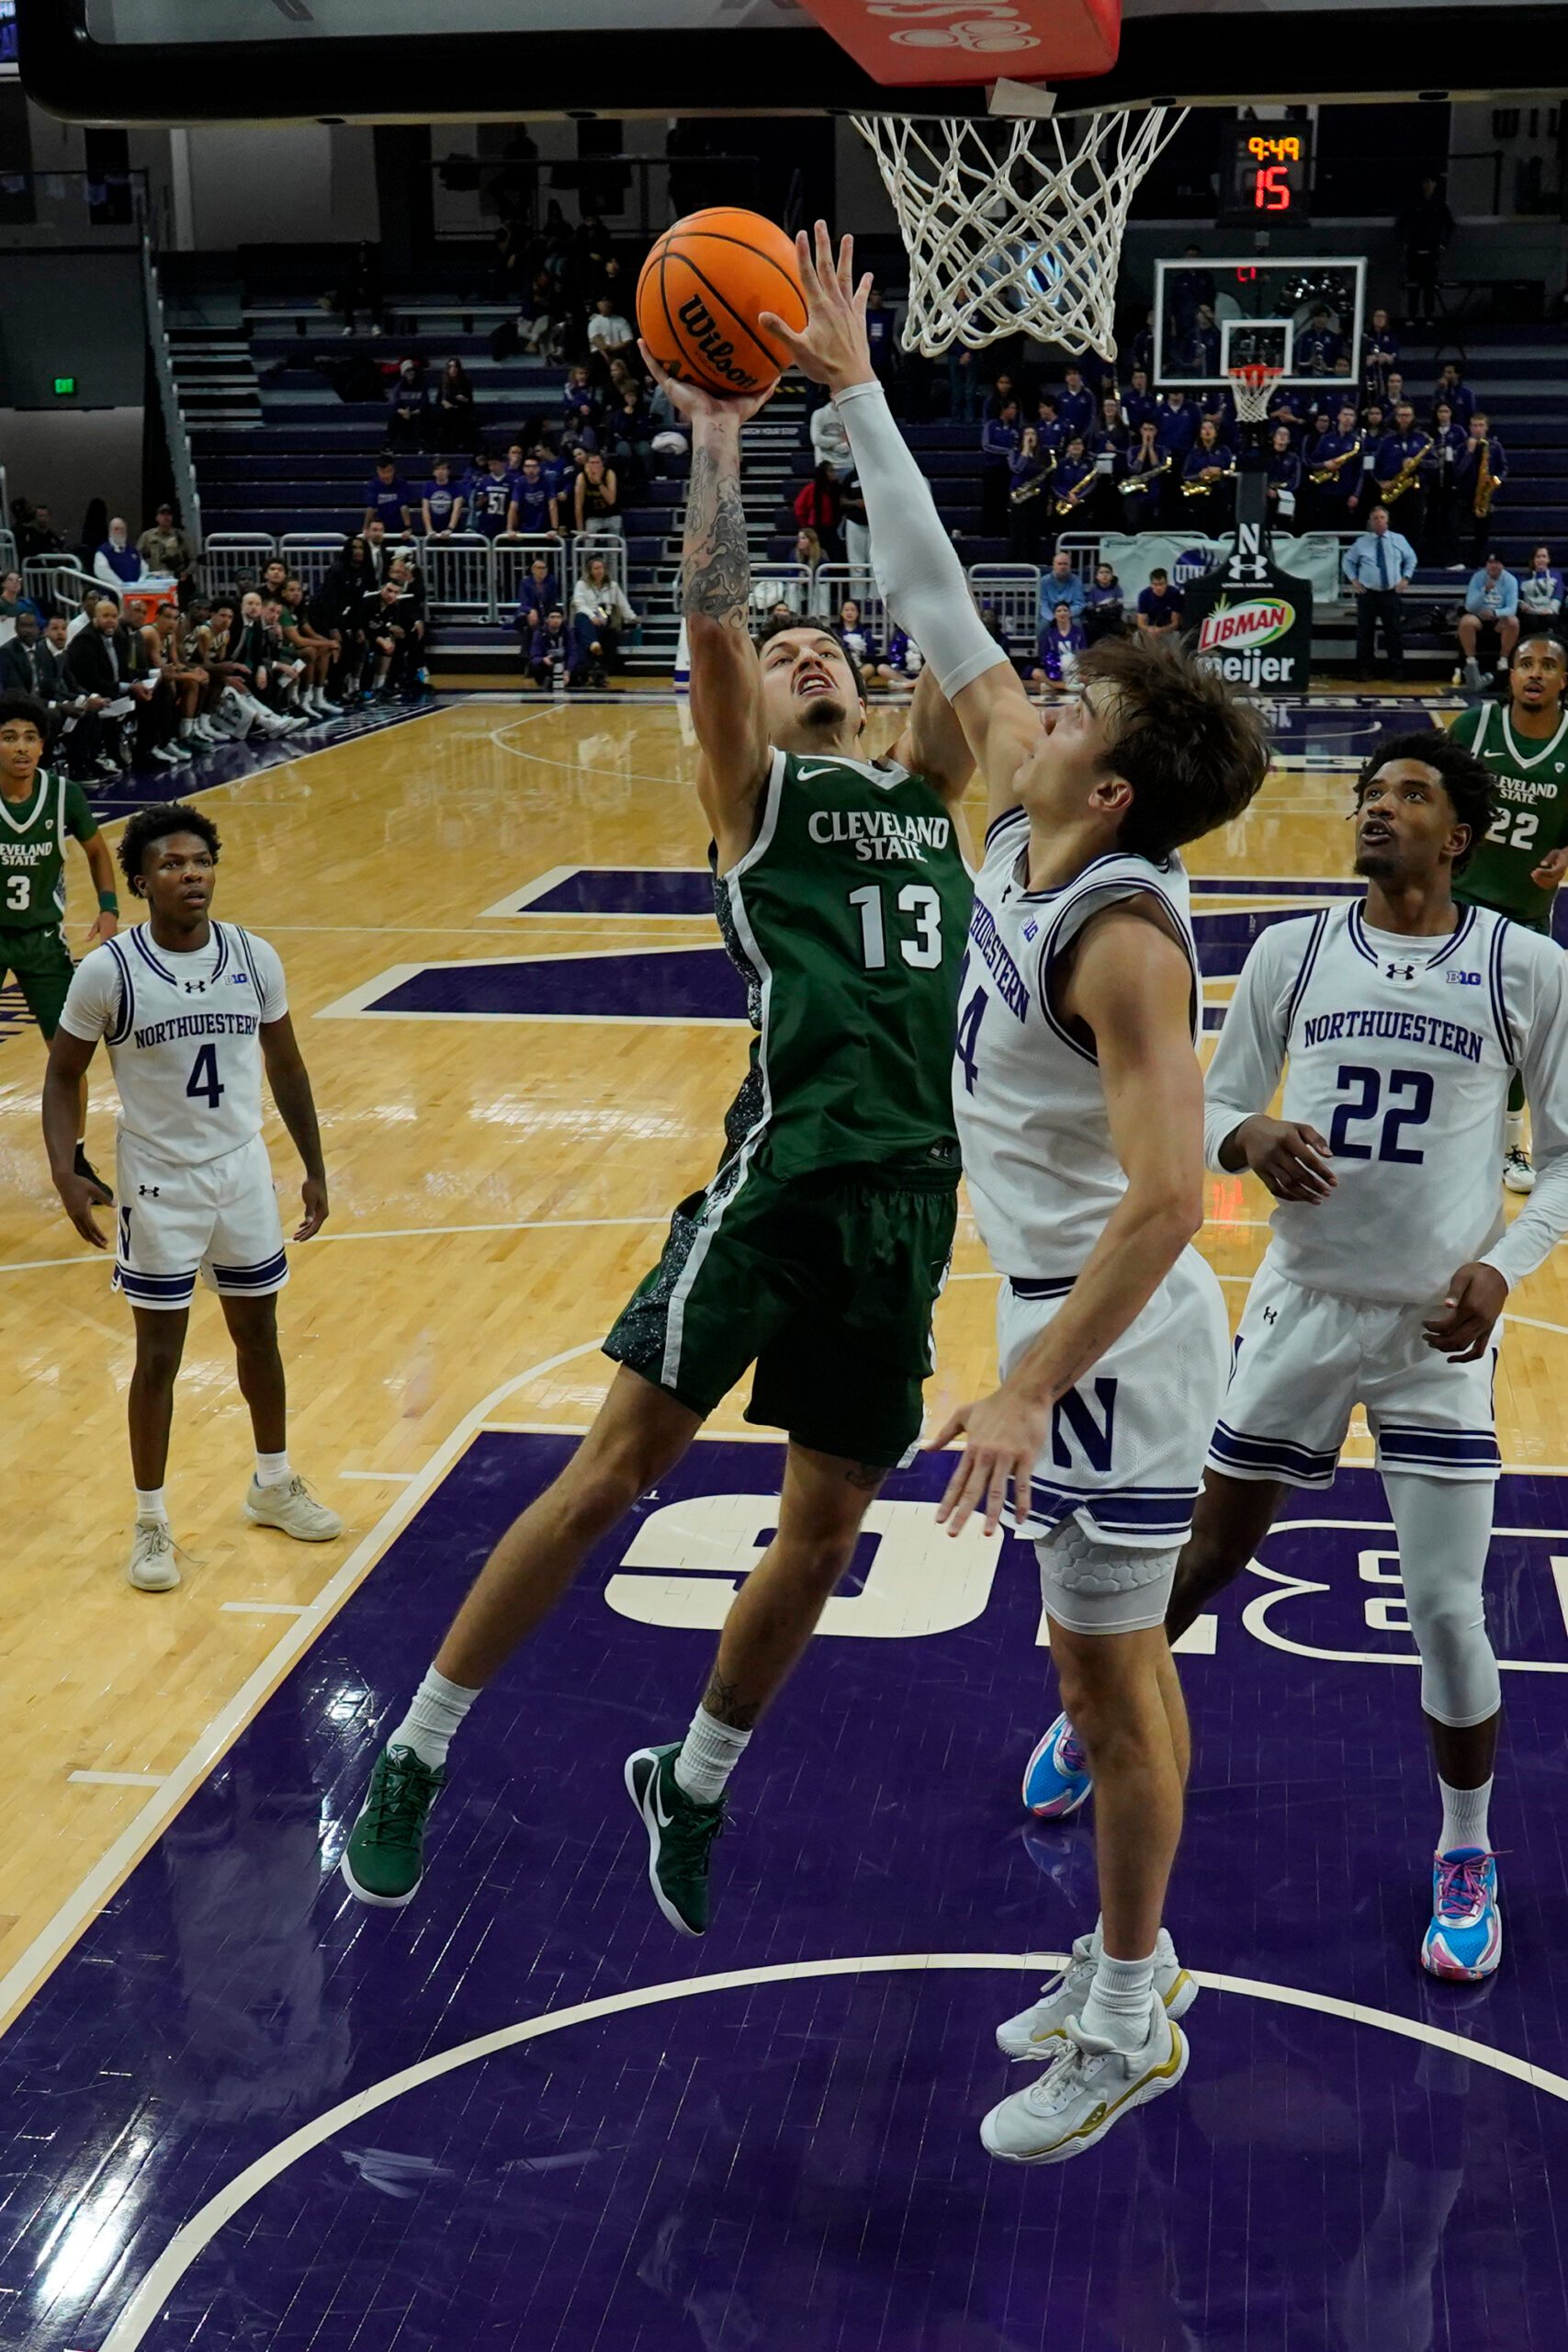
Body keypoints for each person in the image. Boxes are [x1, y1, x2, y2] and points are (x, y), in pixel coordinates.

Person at [338, 271, 976, 1946]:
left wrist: (860, 400)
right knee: (619, 1465)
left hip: (915, 1201)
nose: (802, 646)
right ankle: (416, 1751)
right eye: (782, 652)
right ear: (746, 715)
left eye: (819, 634)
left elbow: (945, 620)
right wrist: (713, 446)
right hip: (783, 1181)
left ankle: (688, 1780)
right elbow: (708, 627)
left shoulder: (923, 791)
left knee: (829, 1525)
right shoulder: (754, 799)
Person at [747, 224, 1268, 2167]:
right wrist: (859, 391)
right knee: (1084, 1656)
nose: (1035, 701)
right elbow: (933, 588)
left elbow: (1164, 1202)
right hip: (1050, 1309)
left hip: (1110, 1331)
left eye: (1073, 713)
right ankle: (1135, 1966)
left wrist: (1035, 1374)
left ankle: (1134, 2003)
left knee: (1113, 1677)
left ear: (1108, 790)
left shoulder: (1123, 934)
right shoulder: (1029, 803)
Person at [1028, 728, 1568, 1987]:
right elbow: (1204, 1108)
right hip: (1299, 1305)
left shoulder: (1526, 967)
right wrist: (1248, 1136)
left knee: (1442, 1610)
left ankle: (1463, 1852)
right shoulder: (1293, 950)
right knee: (1208, 1550)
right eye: (1370, 792)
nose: (1378, 809)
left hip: (1436, 1325)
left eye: (1410, 794)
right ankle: (1087, 1716)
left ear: (1461, 836)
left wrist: (1504, 1269)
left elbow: (1563, 1162)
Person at [42, 800, 342, 1590]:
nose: (191, 875)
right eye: (172, 865)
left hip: (241, 1171)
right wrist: (65, 1165)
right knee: (159, 1356)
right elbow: (62, 1072)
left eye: (201, 861)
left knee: (259, 1335)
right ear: (140, 882)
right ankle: (150, 1522)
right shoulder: (109, 971)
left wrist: (313, 1165)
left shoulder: (252, 955)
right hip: (158, 1181)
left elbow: (288, 1068)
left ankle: (273, 1484)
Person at [1450, 634, 1568, 1193]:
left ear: (1563, 680)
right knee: (1448, 1020)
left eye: (1548, 665)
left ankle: (1510, 1142)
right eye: (1526, 664)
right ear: (1512, 674)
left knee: (1521, 1032)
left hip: (1526, 911)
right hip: (1457, 902)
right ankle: (1446, 1131)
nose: (1536, 673)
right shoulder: (1473, 730)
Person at [0, 690, 118, 1194]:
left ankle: (74, 1160)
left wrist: (109, 907)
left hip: (43, 940)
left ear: (43, 747)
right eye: (8, 738)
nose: (21, 747)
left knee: (67, 1056)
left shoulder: (64, 795)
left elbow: (96, 851)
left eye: (30, 737)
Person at [1343, 505, 1416, 682]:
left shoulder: (1399, 540)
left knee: (1394, 633)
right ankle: (1365, 669)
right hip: (1368, 593)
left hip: (1390, 593)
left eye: (1382, 517)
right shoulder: (1362, 542)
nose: (1379, 521)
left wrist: (1405, 578)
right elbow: (1347, 561)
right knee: (1365, 633)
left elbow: (1411, 559)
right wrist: (1354, 580)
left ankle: (1397, 669)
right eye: (1375, 518)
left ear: (1387, 520)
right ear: (1370, 521)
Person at [570, 554, 637, 687]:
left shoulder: (613, 586)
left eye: (601, 568)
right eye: (596, 568)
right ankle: (593, 643)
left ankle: (599, 669)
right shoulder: (581, 585)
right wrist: (592, 615)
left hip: (605, 618)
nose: (599, 571)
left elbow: (623, 605)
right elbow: (579, 603)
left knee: (609, 638)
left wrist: (633, 617)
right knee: (582, 618)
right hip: (587, 617)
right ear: (590, 571)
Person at [1456, 551, 1520, 690]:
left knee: (1513, 622)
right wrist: (1484, 591)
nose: (1493, 566)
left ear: (1502, 565)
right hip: (1479, 617)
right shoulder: (1478, 578)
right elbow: (1469, 606)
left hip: (1499, 619)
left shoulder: (1510, 580)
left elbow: (1512, 608)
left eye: (1496, 563)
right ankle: (1471, 662)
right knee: (1466, 622)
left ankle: (1503, 660)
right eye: (1490, 563)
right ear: (1486, 565)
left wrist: (1495, 612)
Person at [1375, 401, 1433, 553]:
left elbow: (1435, 463)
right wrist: (1381, 482)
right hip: (1393, 490)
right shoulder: (1387, 440)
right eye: (1401, 415)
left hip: (1415, 491)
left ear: (1413, 417)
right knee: (1393, 528)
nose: (1404, 419)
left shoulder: (1422, 439)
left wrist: (1418, 463)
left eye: (1407, 415)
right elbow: (1376, 467)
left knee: (1415, 528)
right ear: (1396, 417)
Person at [1455, 414, 1507, 570]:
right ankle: (1457, 560)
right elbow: (1458, 472)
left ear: (1486, 427)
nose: (1478, 429)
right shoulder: (1462, 447)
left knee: (1482, 532)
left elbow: (1503, 468)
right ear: (1470, 428)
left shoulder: (1495, 447)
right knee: (1454, 526)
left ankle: (1476, 562)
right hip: (1466, 494)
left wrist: (1496, 481)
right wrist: (1469, 453)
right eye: (1475, 425)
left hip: (1485, 494)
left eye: (1481, 425)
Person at [1180, 418, 1235, 531]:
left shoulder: (1224, 450)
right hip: (1200, 495)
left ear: (1216, 432)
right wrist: (1199, 474)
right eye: (1204, 428)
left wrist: (1220, 471)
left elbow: (1233, 472)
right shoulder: (1194, 453)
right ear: (1200, 433)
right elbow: (1185, 475)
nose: (1207, 431)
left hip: (1220, 493)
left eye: (1210, 428)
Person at [1116, 420, 1171, 531]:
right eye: (1145, 429)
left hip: (1155, 491)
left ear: (1156, 432)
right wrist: (1144, 448)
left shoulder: (1162, 450)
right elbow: (1135, 469)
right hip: (1135, 492)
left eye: (1151, 430)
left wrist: (1150, 448)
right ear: (1141, 431)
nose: (1148, 433)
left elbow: (1157, 468)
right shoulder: (1133, 450)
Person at [136, 504, 197, 597]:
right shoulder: (147, 536)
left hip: (175, 580)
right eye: (163, 514)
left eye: (169, 515)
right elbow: (137, 557)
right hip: (153, 580)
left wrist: (186, 573)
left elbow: (194, 558)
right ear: (157, 517)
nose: (166, 517)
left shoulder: (181, 536)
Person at [1029, 600, 1088, 695]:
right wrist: (1054, 665)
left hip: (1074, 670)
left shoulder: (1078, 632)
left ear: (1070, 614)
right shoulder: (1049, 634)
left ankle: (1053, 685)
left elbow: (1084, 652)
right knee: (1035, 673)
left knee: (1089, 676)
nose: (1062, 613)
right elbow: (1044, 656)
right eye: (1059, 611)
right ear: (1054, 615)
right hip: (1056, 671)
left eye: (1065, 610)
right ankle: (1065, 686)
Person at [1518, 546, 1565, 641]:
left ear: (1548, 560)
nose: (1541, 559)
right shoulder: (1524, 578)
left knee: (1550, 619)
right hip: (1531, 612)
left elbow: (1559, 594)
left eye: (1544, 557)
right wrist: (1521, 604)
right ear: (1533, 560)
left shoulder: (1556, 576)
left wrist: (1551, 609)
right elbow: (1518, 597)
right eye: (1538, 557)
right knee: (1531, 621)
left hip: (1549, 612)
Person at [574, 449, 621, 540]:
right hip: (593, 517)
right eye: (592, 463)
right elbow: (578, 506)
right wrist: (580, 530)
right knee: (587, 546)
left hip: (612, 515)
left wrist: (599, 483)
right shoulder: (582, 477)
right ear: (587, 464)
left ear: (602, 464)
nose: (595, 466)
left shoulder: (609, 474)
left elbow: (611, 500)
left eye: (597, 463)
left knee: (614, 546)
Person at [363, 456, 412, 538]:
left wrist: (408, 527)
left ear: (393, 470)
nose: (386, 475)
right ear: (377, 471)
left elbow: (403, 506)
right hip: (380, 529)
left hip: (399, 529)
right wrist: (365, 528)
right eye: (382, 472)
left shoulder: (401, 483)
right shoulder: (374, 485)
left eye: (389, 471)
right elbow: (371, 508)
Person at [1265, 424, 1303, 528]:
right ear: (1273, 437)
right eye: (1280, 433)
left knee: (1284, 526)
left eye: (1286, 434)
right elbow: (1260, 475)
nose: (1282, 436)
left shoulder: (1294, 458)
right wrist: (1267, 489)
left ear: (1289, 440)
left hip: (1286, 498)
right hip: (1265, 497)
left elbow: (1295, 480)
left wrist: (1280, 491)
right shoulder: (1265, 456)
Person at [434, 357, 475, 453]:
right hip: (447, 411)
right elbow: (438, 400)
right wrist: (443, 402)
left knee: (457, 416)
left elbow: (470, 403)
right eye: (450, 367)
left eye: (455, 367)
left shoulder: (466, 382)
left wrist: (464, 399)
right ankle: (444, 446)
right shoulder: (443, 383)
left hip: (462, 410)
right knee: (447, 415)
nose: (453, 369)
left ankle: (458, 445)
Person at [421, 458, 466, 539]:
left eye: (443, 469)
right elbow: (425, 509)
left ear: (448, 471)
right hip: (433, 530)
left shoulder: (457, 487)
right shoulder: (427, 487)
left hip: (452, 532)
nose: (440, 471)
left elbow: (457, 509)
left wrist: (450, 529)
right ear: (433, 472)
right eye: (437, 469)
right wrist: (429, 529)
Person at [1361, 307, 1399, 401]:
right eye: (1377, 316)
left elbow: (1393, 356)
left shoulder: (1391, 336)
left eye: (1382, 316)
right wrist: (1375, 357)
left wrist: (1385, 357)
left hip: (1385, 372)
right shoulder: (1366, 335)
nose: (1380, 319)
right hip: (1369, 374)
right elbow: (1363, 357)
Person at [1083, 562, 1125, 645]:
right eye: (1101, 572)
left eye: (1107, 572)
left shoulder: (1117, 589)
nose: (1104, 575)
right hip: (1098, 621)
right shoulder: (1093, 590)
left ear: (1112, 576)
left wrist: (1100, 610)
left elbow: (1118, 609)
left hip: (1112, 620)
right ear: (1097, 576)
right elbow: (1090, 610)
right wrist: (1103, 610)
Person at [94, 520, 141, 591]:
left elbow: (144, 569)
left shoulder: (133, 550)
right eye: (116, 529)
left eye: (122, 529)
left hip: (136, 593)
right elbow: (103, 573)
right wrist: (123, 587)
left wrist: (140, 585)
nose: (119, 531)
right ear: (110, 531)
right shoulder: (102, 551)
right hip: (113, 595)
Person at [1135, 568, 1183, 638]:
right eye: (1155, 584)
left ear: (1166, 583)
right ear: (1151, 584)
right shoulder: (1144, 595)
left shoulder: (1174, 594)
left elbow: (1175, 623)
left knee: (1175, 636)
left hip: (1170, 629)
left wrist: (1162, 630)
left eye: (1161, 584)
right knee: (1137, 636)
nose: (1158, 588)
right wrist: (1148, 629)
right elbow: (1140, 622)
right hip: (1152, 628)